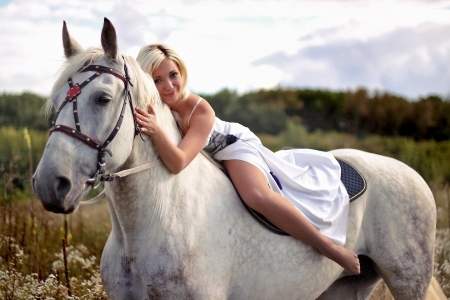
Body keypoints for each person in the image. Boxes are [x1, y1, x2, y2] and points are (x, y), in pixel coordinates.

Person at [134, 44, 360, 275]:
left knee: (255, 195)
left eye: (173, 75)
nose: (169, 86)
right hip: (210, 158)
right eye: (157, 80)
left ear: (182, 72)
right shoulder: (158, 106)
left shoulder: (199, 109)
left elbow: (178, 162)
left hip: (232, 145)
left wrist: (156, 131)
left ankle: (329, 248)